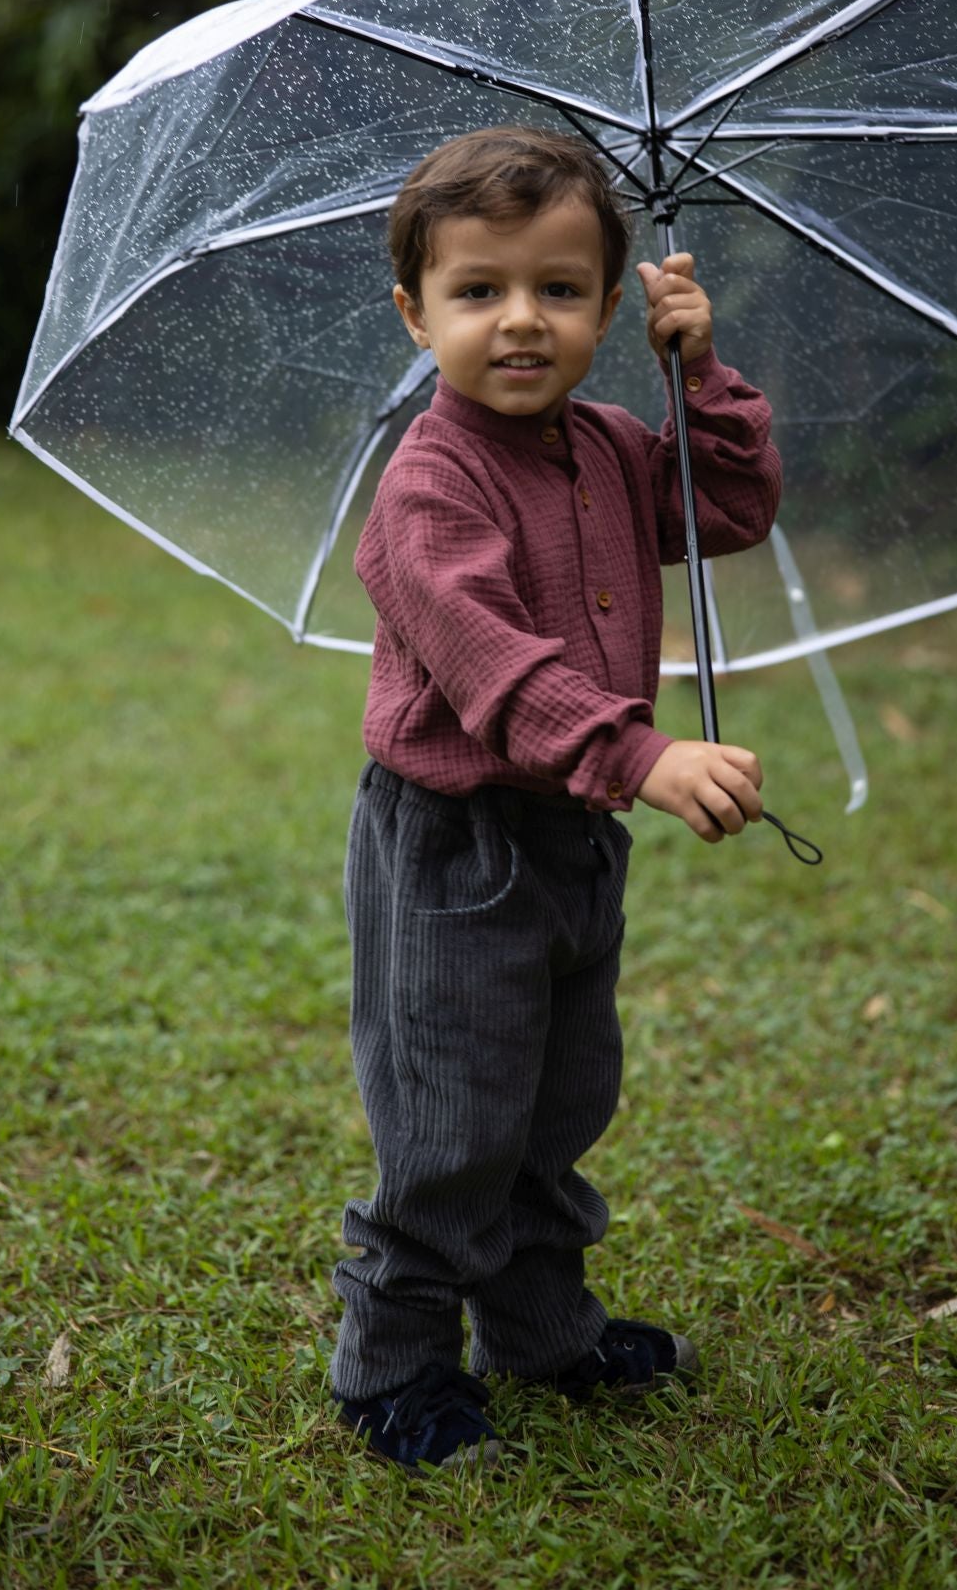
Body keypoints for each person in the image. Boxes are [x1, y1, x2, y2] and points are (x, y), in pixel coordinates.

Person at [330, 125, 782, 1471]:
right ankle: (394, 1366)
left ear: (607, 302)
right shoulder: (427, 485)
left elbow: (732, 511)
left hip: (574, 841)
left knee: (560, 1096)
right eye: (479, 291)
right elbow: (493, 670)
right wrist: (644, 754)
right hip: (454, 848)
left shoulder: (611, 442)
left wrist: (699, 376)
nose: (521, 320)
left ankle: (538, 1326)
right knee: (453, 1118)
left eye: (561, 289)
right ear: (418, 312)